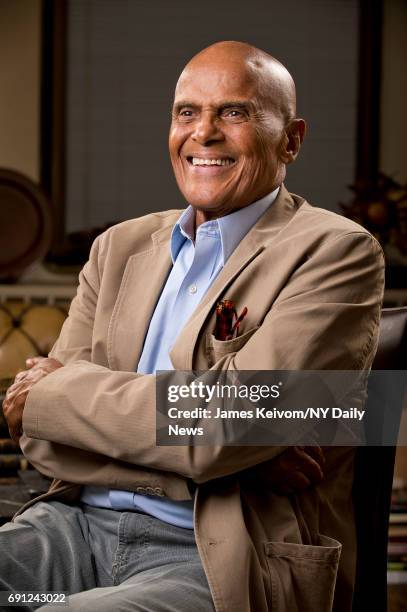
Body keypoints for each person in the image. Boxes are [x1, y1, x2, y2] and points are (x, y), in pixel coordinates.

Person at [2, 41, 384, 612]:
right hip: (73, 531)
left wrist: (66, 396)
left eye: (234, 113)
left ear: (292, 139)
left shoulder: (337, 251)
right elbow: (38, 431)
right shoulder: (119, 247)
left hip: (216, 553)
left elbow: (222, 427)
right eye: (187, 112)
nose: (203, 133)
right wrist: (223, 455)